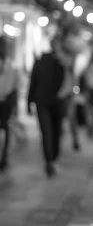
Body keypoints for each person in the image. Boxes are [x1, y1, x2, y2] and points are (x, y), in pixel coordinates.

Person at [27, 29, 82, 176]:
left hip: (59, 100)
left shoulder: (65, 60)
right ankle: (49, 162)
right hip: (43, 101)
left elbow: (70, 64)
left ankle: (53, 159)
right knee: (47, 132)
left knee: (57, 131)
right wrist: (29, 102)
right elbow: (33, 81)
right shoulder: (42, 59)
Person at [0, 36, 19, 171]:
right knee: (5, 128)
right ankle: (4, 156)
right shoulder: (10, 63)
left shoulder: (10, 64)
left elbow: (12, 85)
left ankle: (4, 156)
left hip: (6, 101)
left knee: (5, 128)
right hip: (6, 100)